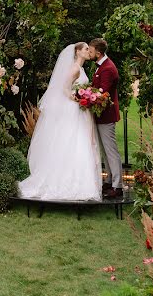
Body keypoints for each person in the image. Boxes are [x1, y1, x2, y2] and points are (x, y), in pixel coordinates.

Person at [18, 43, 102, 201]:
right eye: (85, 49)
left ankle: (81, 184)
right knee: (73, 142)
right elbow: (64, 88)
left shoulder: (81, 69)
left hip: (80, 110)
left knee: (79, 143)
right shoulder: (75, 68)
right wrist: (77, 98)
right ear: (77, 52)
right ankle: (67, 183)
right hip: (74, 109)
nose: (87, 51)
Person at [88, 38, 123, 199]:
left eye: (91, 49)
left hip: (106, 115)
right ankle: (109, 180)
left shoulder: (108, 68)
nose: (89, 52)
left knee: (110, 150)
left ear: (98, 52)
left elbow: (103, 94)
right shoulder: (101, 67)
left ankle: (117, 185)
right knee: (105, 150)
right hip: (101, 115)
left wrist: (86, 97)